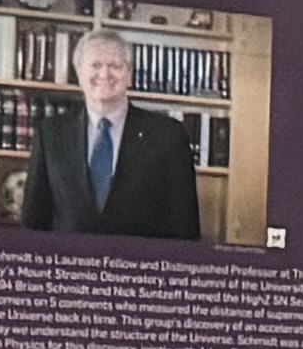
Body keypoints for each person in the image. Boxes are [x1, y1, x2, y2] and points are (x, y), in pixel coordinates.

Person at [27, 27, 205, 240]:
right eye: (95, 65)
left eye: (115, 66)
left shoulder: (168, 135)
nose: (105, 74)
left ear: (129, 75)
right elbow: (34, 222)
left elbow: (185, 226)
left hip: (141, 268)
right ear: (79, 73)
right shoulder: (50, 134)